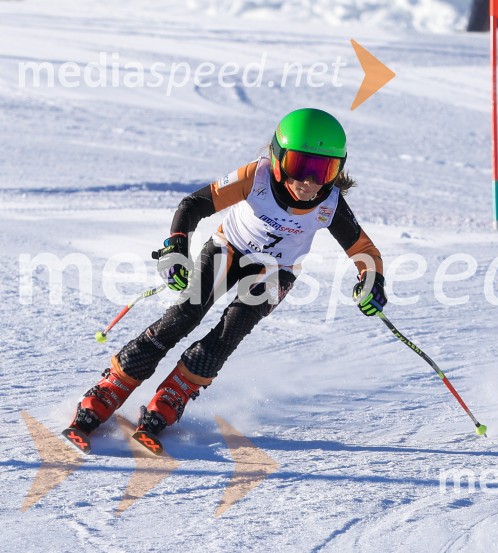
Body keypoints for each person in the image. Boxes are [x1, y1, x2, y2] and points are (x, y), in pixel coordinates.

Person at [64, 108, 387, 453]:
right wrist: (176, 246)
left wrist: (372, 282)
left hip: (275, 272)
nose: (309, 182)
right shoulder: (257, 177)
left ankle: (173, 396)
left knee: (228, 333)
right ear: (278, 160)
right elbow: (194, 204)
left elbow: (364, 250)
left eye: (324, 170)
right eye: (300, 167)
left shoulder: (329, 205)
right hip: (228, 249)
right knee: (183, 316)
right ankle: (110, 389)